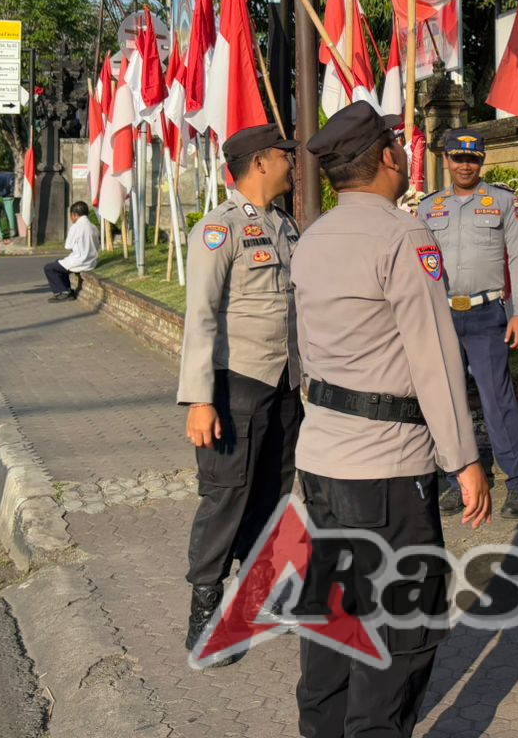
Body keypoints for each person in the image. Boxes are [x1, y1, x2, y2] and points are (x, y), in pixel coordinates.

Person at [291, 103, 490, 738]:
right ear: (385, 158)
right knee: (402, 628)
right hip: (384, 466)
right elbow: (434, 358)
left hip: (320, 460)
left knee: (332, 618)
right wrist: (465, 459)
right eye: (397, 146)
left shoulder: (313, 236)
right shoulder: (403, 237)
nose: (405, 156)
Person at [177, 123, 303, 661]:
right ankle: (205, 610)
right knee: (226, 496)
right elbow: (200, 317)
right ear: (258, 163)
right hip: (235, 386)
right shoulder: (218, 229)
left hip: (285, 383)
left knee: (276, 493)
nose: (292, 163)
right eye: (284, 154)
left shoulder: (286, 225)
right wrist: (200, 400)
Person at [418, 128, 518, 519]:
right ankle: (456, 479)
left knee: (496, 400)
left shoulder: (503, 202)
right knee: (448, 401)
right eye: (457, 158)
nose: (465, 165)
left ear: (482, 161)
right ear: (447, 160)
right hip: (442, 314)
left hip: (487, 315)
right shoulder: (428, 208)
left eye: (472, 158)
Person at [44, 201, 99, 300]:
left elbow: (68, 246)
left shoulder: (76, 227)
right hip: (92, 261)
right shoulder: (93, 227)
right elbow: (97, 245)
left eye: (71, 216)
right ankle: (67, 290)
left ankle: (62, 292)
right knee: (58, 263)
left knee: (49, 268)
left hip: (80, 261)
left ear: (74, 215)